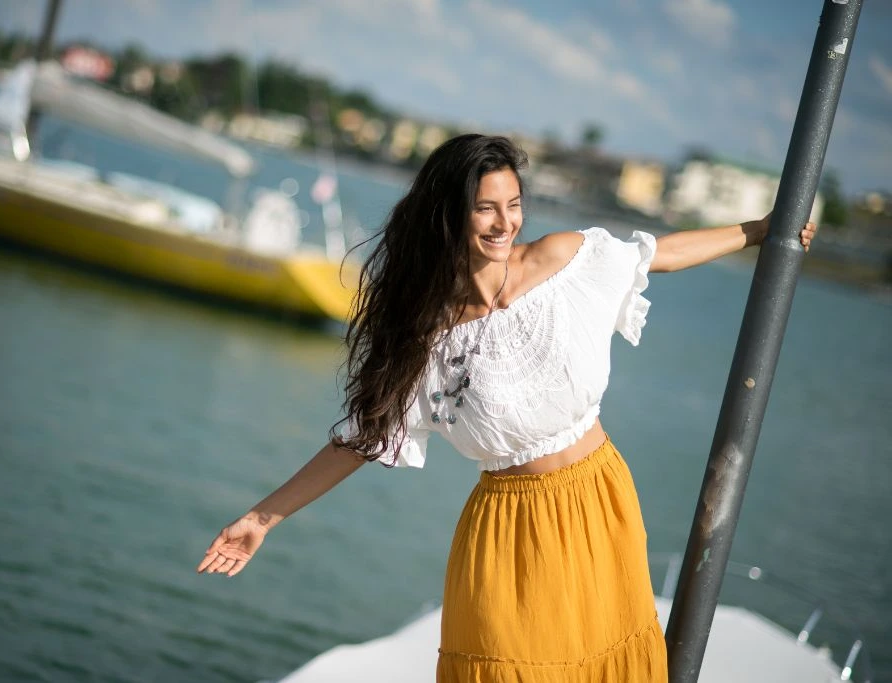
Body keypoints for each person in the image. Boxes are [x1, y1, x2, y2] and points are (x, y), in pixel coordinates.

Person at [197, 134, 816, 681]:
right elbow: (361, 439)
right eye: (485, 208)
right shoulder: (426, 335)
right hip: (506, 535)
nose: (504, 223)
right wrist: (263, 518)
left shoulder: (568, 262)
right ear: (450, 214)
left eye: (513, 205)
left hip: (598, 502)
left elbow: (660, 253)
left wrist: (761, 231)